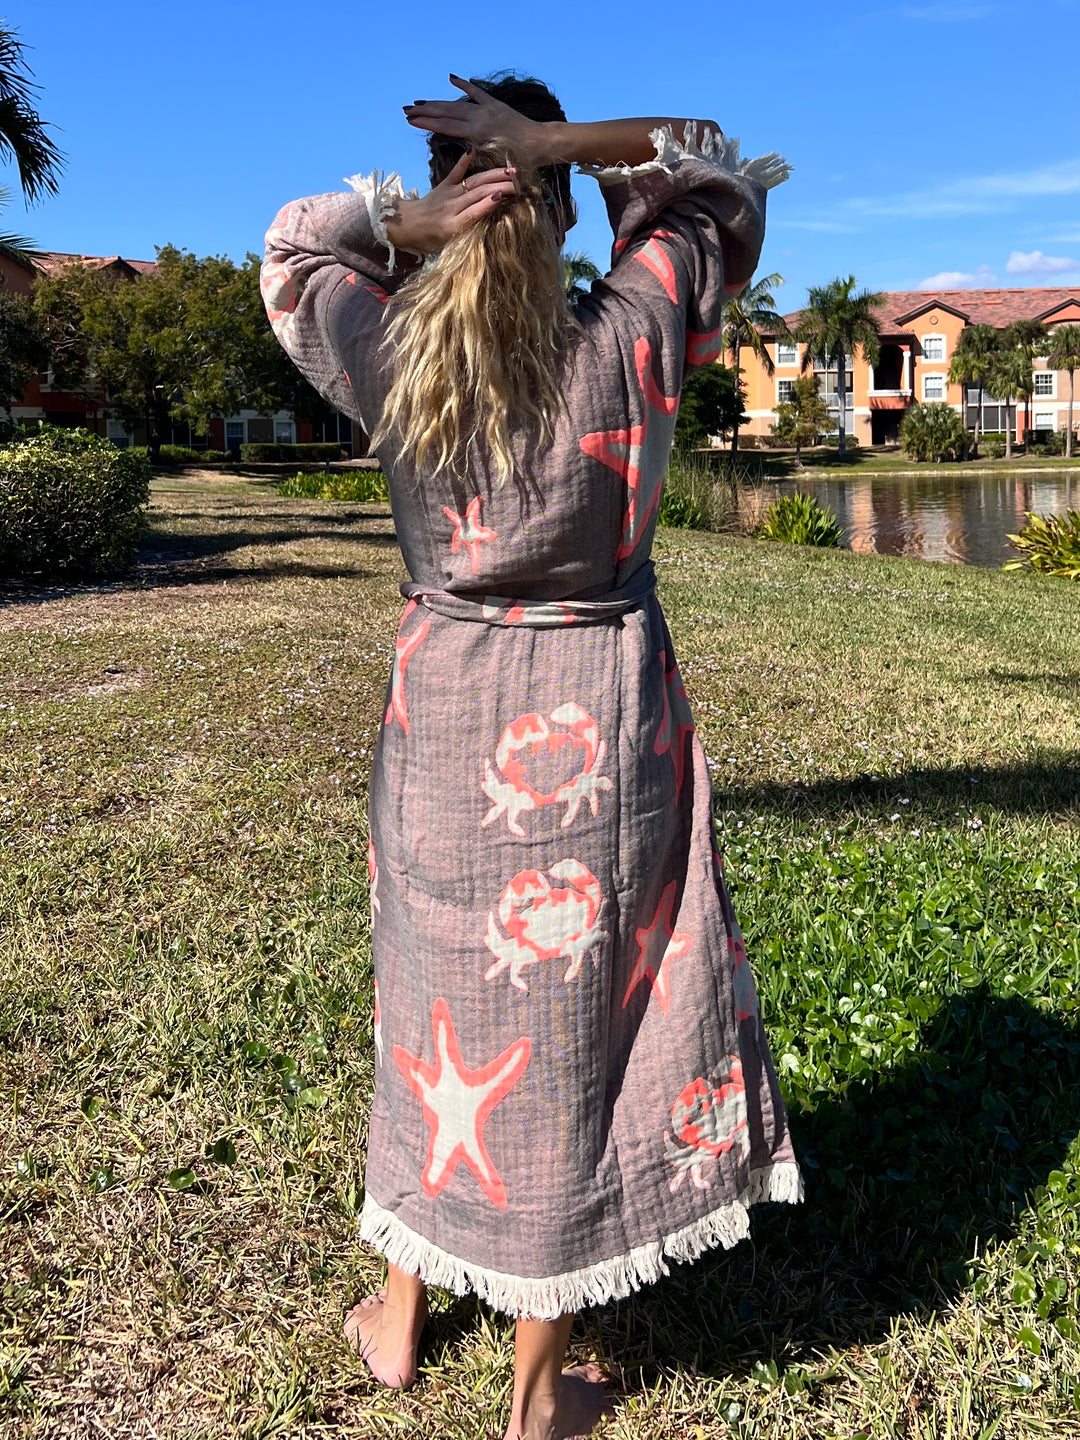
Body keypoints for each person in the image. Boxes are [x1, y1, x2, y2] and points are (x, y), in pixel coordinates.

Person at [261, 72, 800, 1440]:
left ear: (444, 201)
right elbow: (715, 168)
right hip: (600, 720)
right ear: (562, 210)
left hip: (442, 722)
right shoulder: (633, 328)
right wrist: (552, 149)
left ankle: (397, 1313)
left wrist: (415, 220)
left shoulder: (378, 337)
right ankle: (535, 1386)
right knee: (568, 1038)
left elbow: (293, 245)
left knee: (430, 1006)